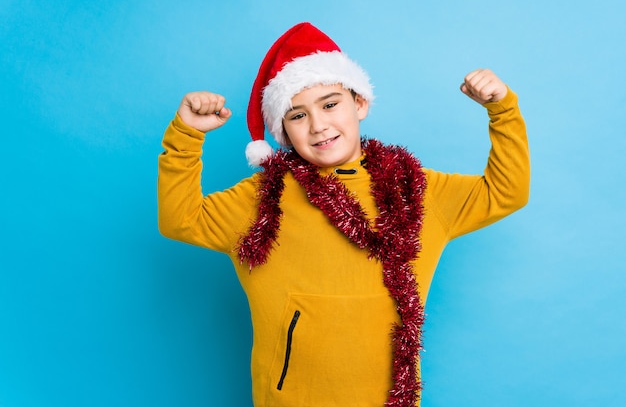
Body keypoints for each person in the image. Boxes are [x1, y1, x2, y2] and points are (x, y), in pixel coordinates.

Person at [158, 22, 530, 407]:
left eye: (330, 104)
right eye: (297, 115)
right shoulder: (261, 199)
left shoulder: (416, 190)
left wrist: (502, 111)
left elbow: (505, 191)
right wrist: (186, 135)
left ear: (360, 103)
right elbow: (180, 218)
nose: (318, 125)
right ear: (283, 131)